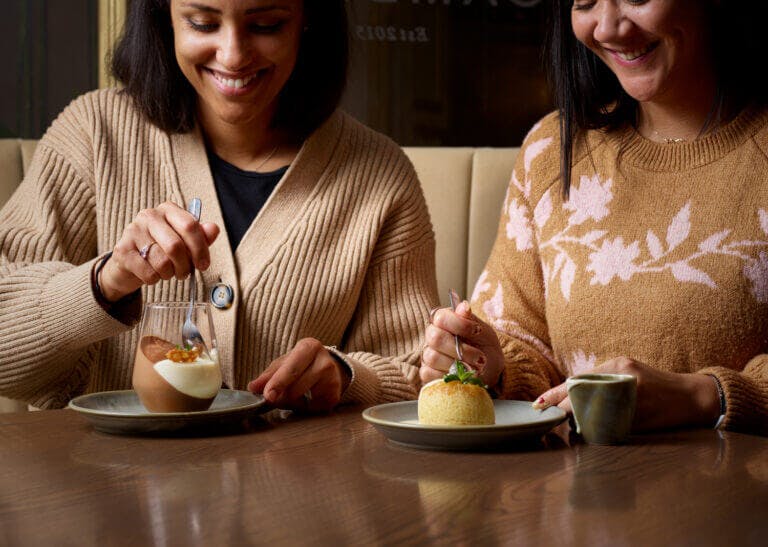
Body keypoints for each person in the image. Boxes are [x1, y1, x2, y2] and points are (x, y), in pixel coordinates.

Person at [0, 0, 438, 411]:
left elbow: (416, 374)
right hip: (99, 487)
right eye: (203, 23)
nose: (232, 56)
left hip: (291, 490)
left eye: (266, 25)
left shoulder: (380, 176)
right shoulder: (92, 135)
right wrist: (106, 280)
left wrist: (347, 376)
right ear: (162, 16)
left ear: (308, 17)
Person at [421, 0, 768, 435]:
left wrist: (702, 396)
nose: (608, 28)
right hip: (575, 493)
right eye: (584, 1)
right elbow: (518, 342)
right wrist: (488, 364)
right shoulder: (552, 150)